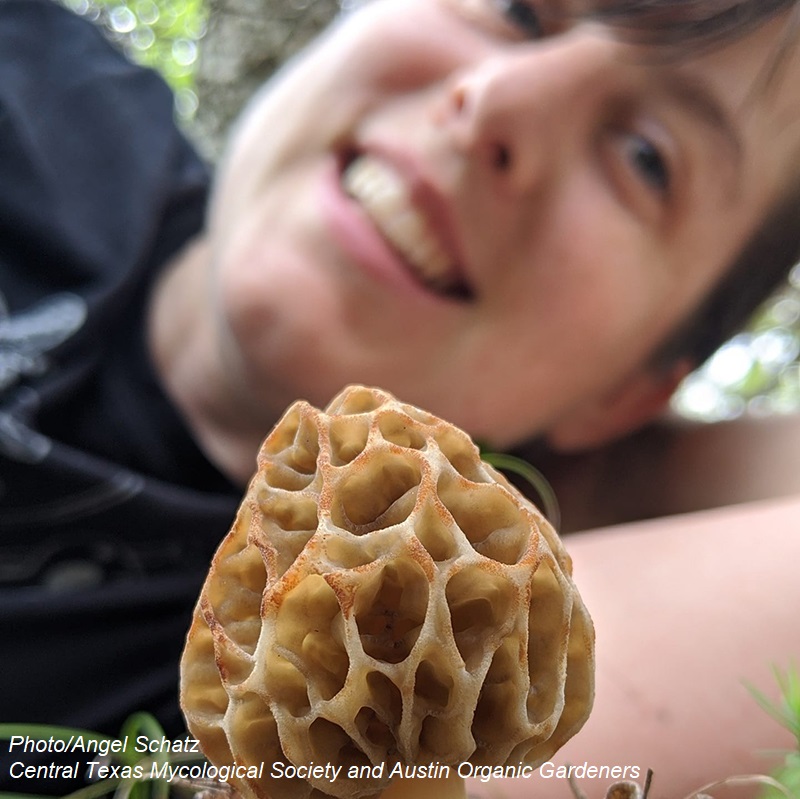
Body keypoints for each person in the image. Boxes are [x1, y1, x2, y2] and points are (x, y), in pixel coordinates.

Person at [0, 0, 798, 796]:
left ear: (635, 394)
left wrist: (654, 466)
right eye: (519, 10)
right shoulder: (30, 81)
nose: (499, 101)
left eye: (646, 157)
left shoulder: (298, 714)